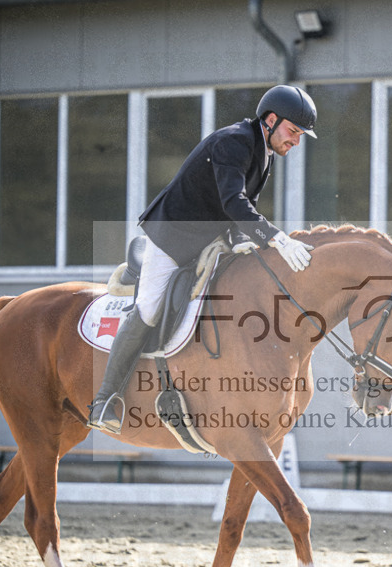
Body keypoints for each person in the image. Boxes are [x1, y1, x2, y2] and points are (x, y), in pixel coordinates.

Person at [87, 85, 318, 434]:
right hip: (173, 239)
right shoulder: (234, 142)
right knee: (149, 308)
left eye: (300, 135)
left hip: (210, 240)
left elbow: (241, 210)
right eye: (293, 132)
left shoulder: (264, 151)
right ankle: (105, 399)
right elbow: (233, 201)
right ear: (271, 120)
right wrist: (276, 237)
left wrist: (248, 241)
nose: (296, 142)